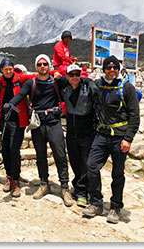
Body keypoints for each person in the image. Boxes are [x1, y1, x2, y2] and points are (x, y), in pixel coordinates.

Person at [6, 54, 75, 207]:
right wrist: (10, 104)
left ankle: (64, 187)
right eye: (40, 64)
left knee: (60, 154)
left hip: (53, 121)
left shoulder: (56, 81)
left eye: (45, 64)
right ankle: (44, 183)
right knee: (41, 155)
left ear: (49, 65)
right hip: (37, 123)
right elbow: (21, 95)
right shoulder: (31, 83)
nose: (43, 67)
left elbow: (69, 87)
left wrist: (61, 78)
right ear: (36, 67)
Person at [83, 55, 140, 223]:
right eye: (109, 68)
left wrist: (128, 138)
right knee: (91, 166)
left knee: (117, 173)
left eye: (115, 68)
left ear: (119, 69)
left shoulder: (126, 88)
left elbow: (134, 115)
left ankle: (115, 207)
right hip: (101, 135)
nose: (112, 70)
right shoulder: (99, 86)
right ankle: (96, 203)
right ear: (104, 69)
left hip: (119, 137)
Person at [0, 58, 36, 197]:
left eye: (10, 68)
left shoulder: (21, 78)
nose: (8, 71)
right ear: (1, 70)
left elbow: (38, 75)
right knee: (6, 151)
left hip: (18, 121)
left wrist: (56, 73)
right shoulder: (0, 83)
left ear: (13, 68)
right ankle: (10, 177)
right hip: (5, 121)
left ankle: (15, 181)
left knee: (14, 151)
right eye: (5, 69)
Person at [58, 64, 98, 207]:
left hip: (86, 131)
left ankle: (83, 192)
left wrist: (90, 81)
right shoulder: (65, 88)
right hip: (71, 131)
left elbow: (98, 100)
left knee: (85, 163)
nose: (75, 77)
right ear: (67, 76)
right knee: (74, 161)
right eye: (72, 75)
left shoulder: (88, 87)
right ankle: (77, 186)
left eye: (77, 74)